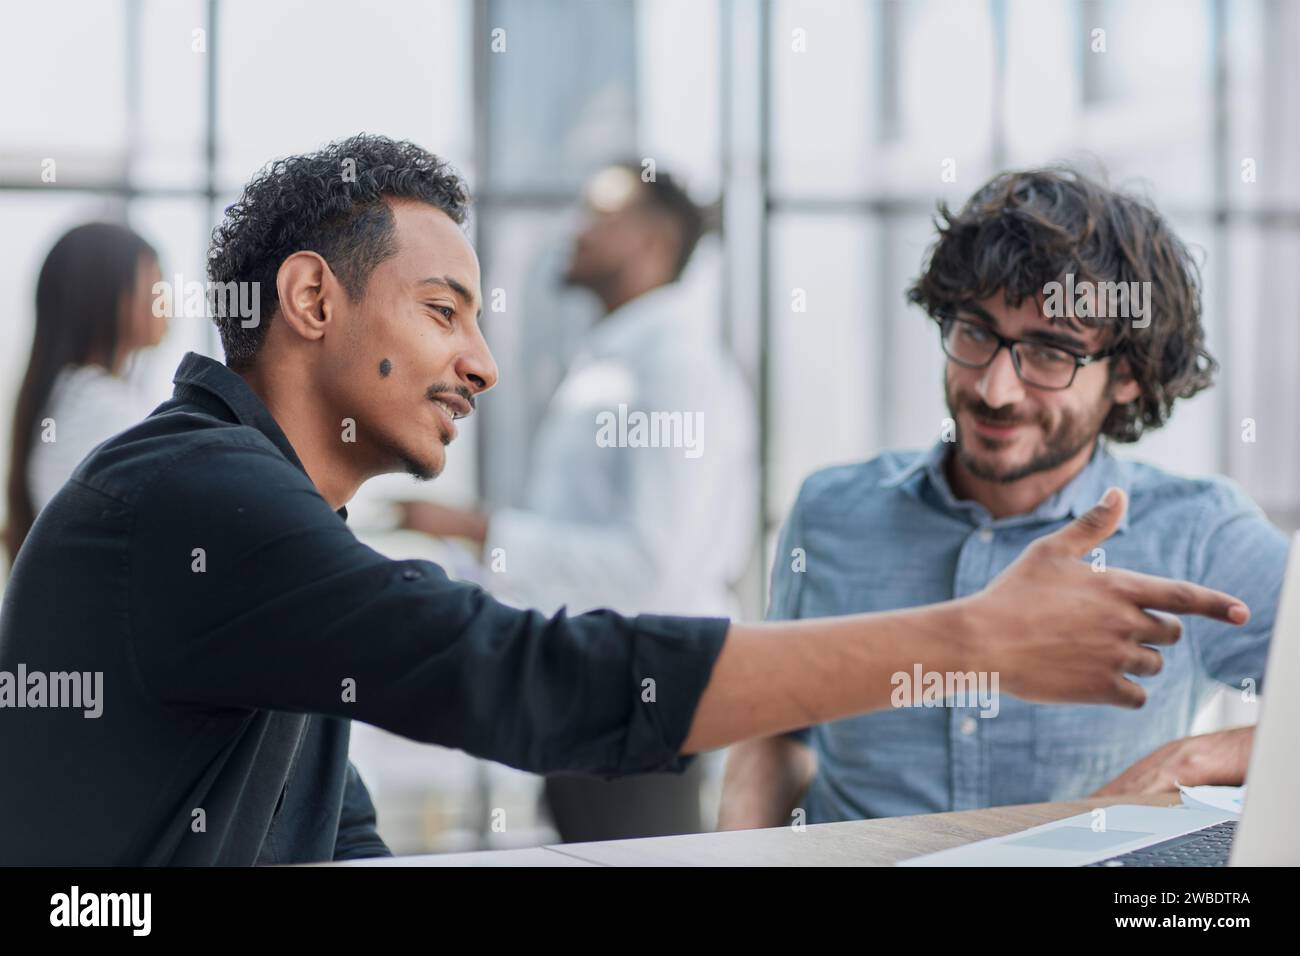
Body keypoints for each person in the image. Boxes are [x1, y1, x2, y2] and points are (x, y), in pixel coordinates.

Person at [0, 138, 1248, 865]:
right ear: (314, 301)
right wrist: (970, 642)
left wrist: (1193, 764)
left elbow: (341, 835)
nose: (481, 360)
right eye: (444, 312)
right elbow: (512, 668)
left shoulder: (259, 518)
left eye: (1049, 353)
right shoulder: (198, 499)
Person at [718, 166, 1286, 830]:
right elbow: (780, 731)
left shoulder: (1201, 535)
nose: (994, 389)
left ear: (1126, 375)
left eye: (1049, 353)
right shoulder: (831, 512)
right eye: (976, 332)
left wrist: (1194, 762)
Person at [398, 163, 756, 840]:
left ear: (652, 241)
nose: (577, 229)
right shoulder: (616, 358)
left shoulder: (675, 368)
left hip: (639, 692)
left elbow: (652, 565)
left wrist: (479, 529)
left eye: (601, 215)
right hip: (593, 684)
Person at [5, 222, 166, 565]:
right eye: (154, 280)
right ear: (108, 293)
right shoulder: (98, 406)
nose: (167, 297)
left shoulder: (67, 395)